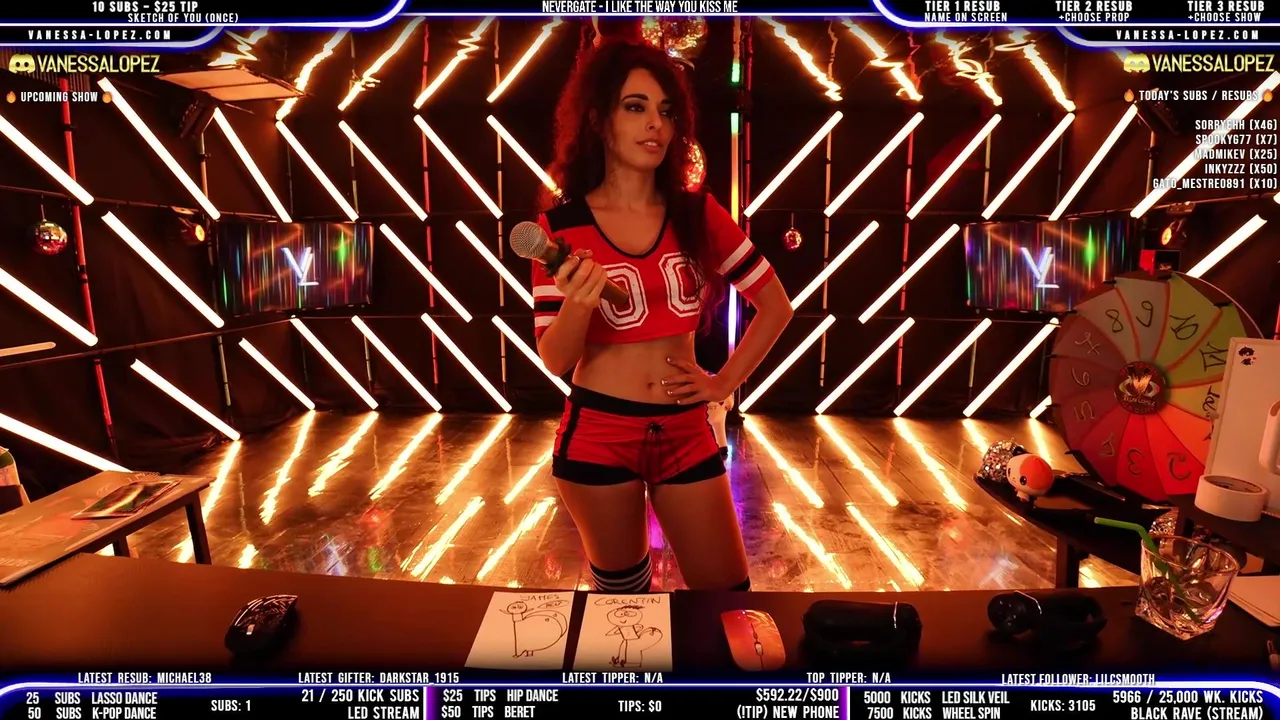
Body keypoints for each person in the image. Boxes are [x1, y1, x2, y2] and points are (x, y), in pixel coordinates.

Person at [531, 39, 793, 594]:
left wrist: (722, 383)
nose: (655, 124)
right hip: (598, 431)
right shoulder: (561, 229)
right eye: (636, 107)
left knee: (726, 599)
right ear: (598, 120)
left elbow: (776, 306)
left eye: (666, 111)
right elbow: (555, 358)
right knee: (623, 607)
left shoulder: (697, 213)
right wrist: (579, 301)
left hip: (685, 430)